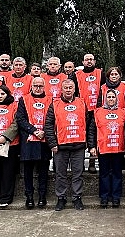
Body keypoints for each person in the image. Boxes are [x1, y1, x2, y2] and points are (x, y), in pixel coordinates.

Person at [44, 79, 88, 211]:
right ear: (61, 90)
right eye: (66, 88)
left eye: (70, 87)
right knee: (60, 174)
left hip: (78, 145)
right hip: (60, 146)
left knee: (78, 174)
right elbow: (48, 125)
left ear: (74, 89)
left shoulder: (81, 103)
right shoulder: (54, 104)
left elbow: (87, 121)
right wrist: (52, 143)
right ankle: (61, 198)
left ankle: (77, 198)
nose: (68, 90)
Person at [16, 76, 53, 209]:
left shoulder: (51, 100)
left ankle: (42, 196)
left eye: (40, 86)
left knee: (44, 170)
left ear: (44, 87)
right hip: (28, 140)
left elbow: (53, 119)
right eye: (35, 86)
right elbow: (20, 119)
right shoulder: (23, 100)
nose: (38, 88)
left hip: (45, 139)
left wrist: (44, 131)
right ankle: (29, 196)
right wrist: (33, 130)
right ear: (31, 86)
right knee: (28, 171)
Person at [88, 89, 125, 208]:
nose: (111, 99)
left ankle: (116, 197)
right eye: (109, 97)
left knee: (117, 173)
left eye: (113, 97)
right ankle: (104, 197)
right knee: (104, 174)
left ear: (117, 99)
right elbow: (92, 130)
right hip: (103, 148)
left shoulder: (123, 112)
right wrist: (92, 146)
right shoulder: (97, 112)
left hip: (118, 148)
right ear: (105, 99)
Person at [75, 53, 105, 173]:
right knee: (81, 136)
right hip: (82, 111)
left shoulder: (100, 73)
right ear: (83, 62)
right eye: (86, 60)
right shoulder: (76, 75)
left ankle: (92, 162)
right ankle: (80, 163)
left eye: (91, 59)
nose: (89, 62)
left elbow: (105, 90)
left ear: (95, 61)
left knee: (96, 137)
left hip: (97, 110)